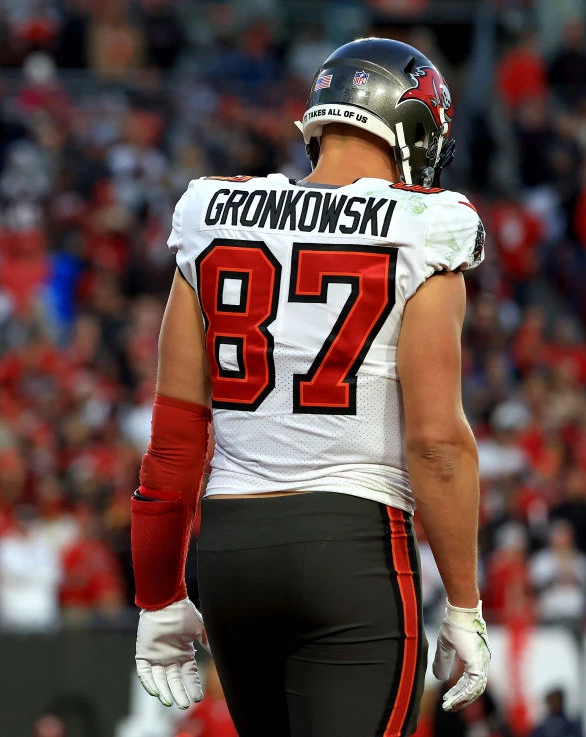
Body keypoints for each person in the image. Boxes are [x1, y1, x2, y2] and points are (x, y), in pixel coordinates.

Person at [130, 38, 491, 737]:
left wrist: (157, 595)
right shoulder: (426, 226)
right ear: (412, 131)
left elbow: (173, 440)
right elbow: (437, 442)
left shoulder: (213, 214)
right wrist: (466, 602)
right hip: (351, 543)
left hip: (231, 551)